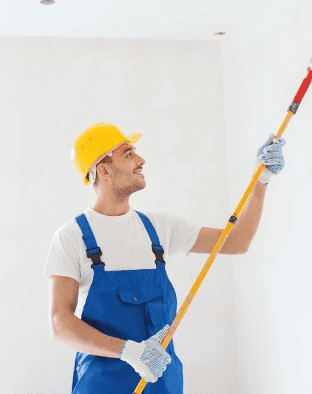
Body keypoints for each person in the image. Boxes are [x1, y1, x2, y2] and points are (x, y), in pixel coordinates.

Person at [45, 122, 285, 393]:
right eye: (129, 154)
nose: (141, 160)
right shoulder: (71, 237)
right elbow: (59, 323)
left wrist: (260, 181)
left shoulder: (159, 228)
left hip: (162, 383)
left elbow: (237, 242)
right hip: (103, 385)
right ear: (104, 169)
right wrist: (129, 352)